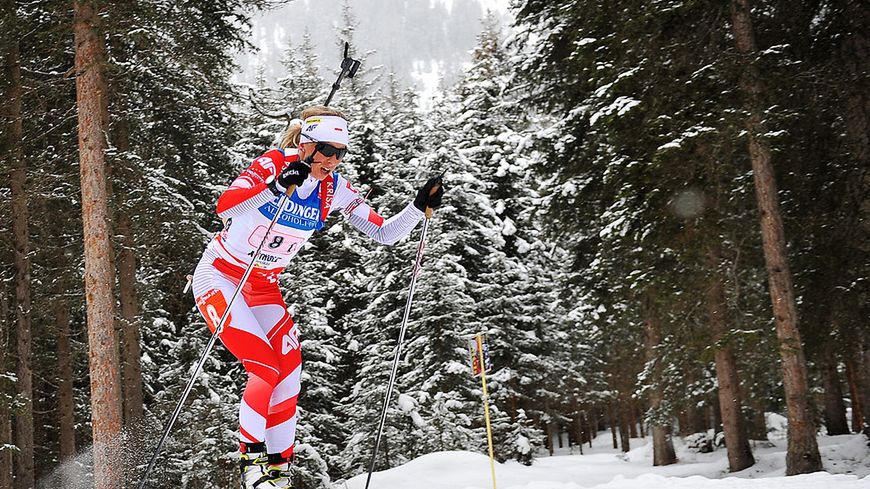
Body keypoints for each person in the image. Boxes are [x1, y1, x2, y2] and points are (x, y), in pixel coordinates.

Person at [191, 106, 443, 488]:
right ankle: (252, 466)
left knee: (289, 375)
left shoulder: (334, 187)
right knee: (264, 368)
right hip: (222, 277)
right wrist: (274, 187)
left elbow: (383, 233)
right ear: (305, 144)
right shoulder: (274, 163)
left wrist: (417, 206)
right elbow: (225, 207)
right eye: (325, 149)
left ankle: (278, 473)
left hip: (263, 286)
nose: (332, 159)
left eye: (340, 152)